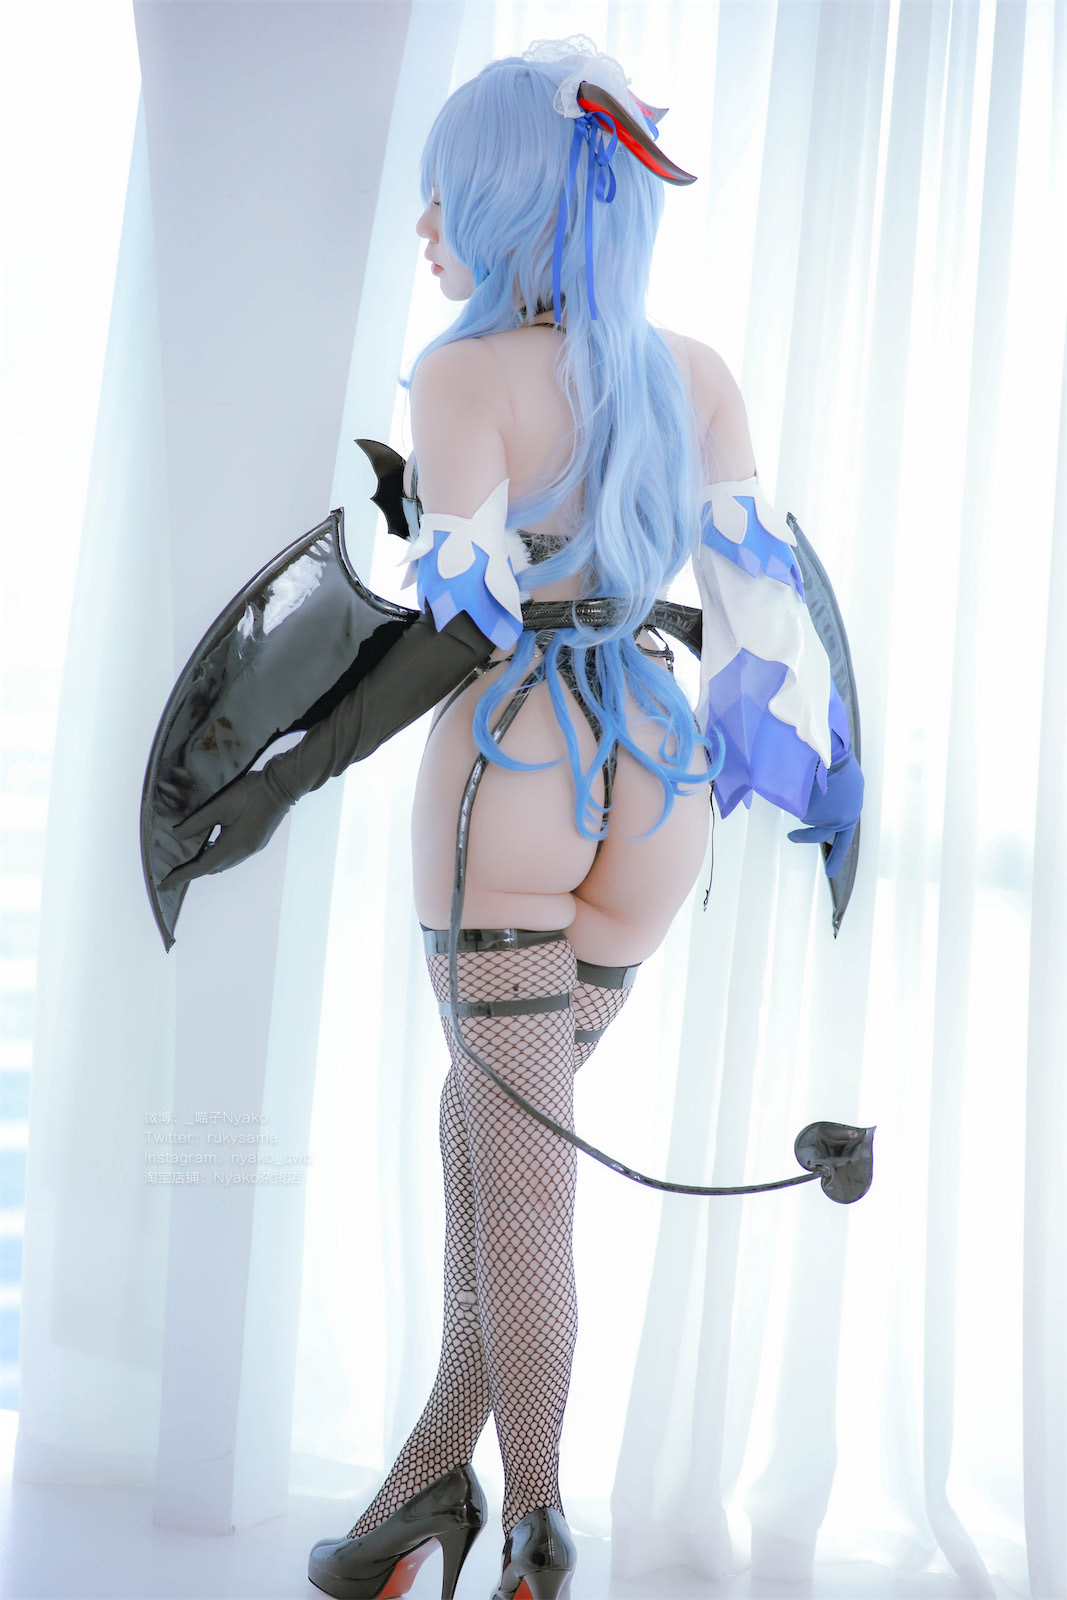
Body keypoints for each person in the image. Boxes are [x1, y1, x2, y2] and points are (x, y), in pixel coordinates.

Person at [160, 38, 863, 1600]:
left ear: (507, 197)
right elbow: (759, 619)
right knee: (484, 1130)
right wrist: (813, 781)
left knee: (524, 1174)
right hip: (664, 777)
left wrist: (278, 771)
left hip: (518, 763)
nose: (426, 225)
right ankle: (425, 1482)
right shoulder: (696, 374)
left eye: (446, 195)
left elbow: (455, 627)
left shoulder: (462, 376)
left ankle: (534, 1521)